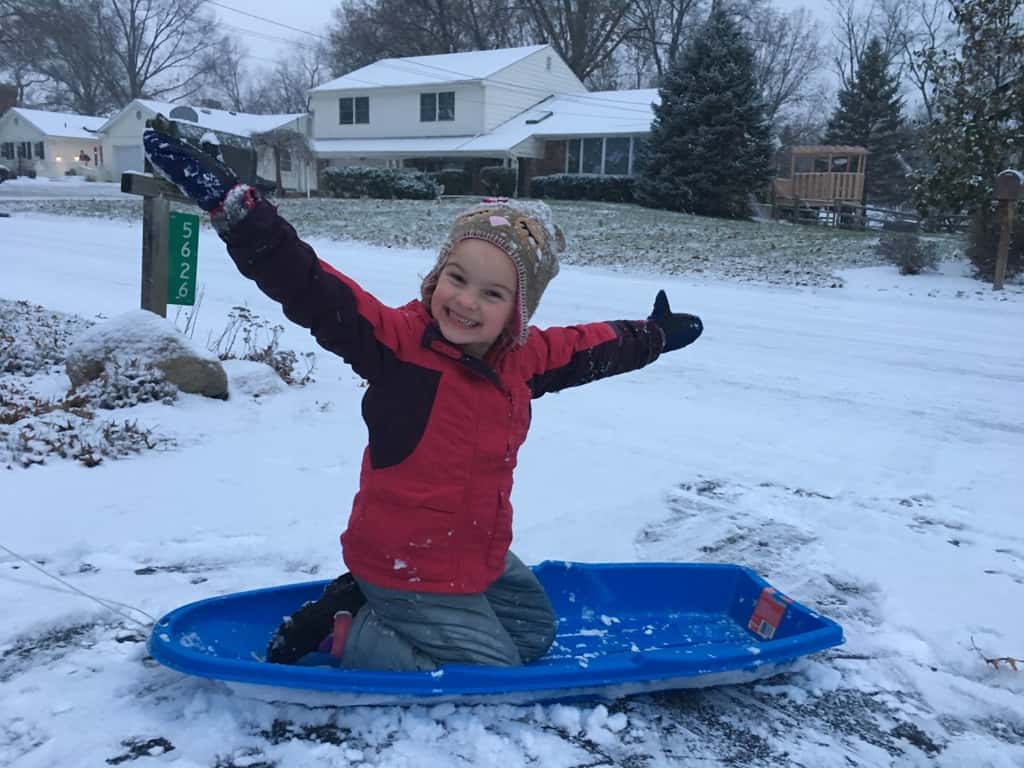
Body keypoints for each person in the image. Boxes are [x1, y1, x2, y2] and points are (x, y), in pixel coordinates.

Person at [143, 125, 704, 672]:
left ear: (519, 310)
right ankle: (348, 631)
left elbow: (588, 348)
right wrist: (238, 211)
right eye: (456, 278)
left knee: (533, 636)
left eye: (492, 293)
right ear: (436, 277)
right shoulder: (397, 346)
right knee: (495, 665)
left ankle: (367, 600)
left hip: (475, 555)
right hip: (402, 561)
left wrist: (653, 334)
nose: (465, 301)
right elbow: (310, 285)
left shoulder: (521, 359)